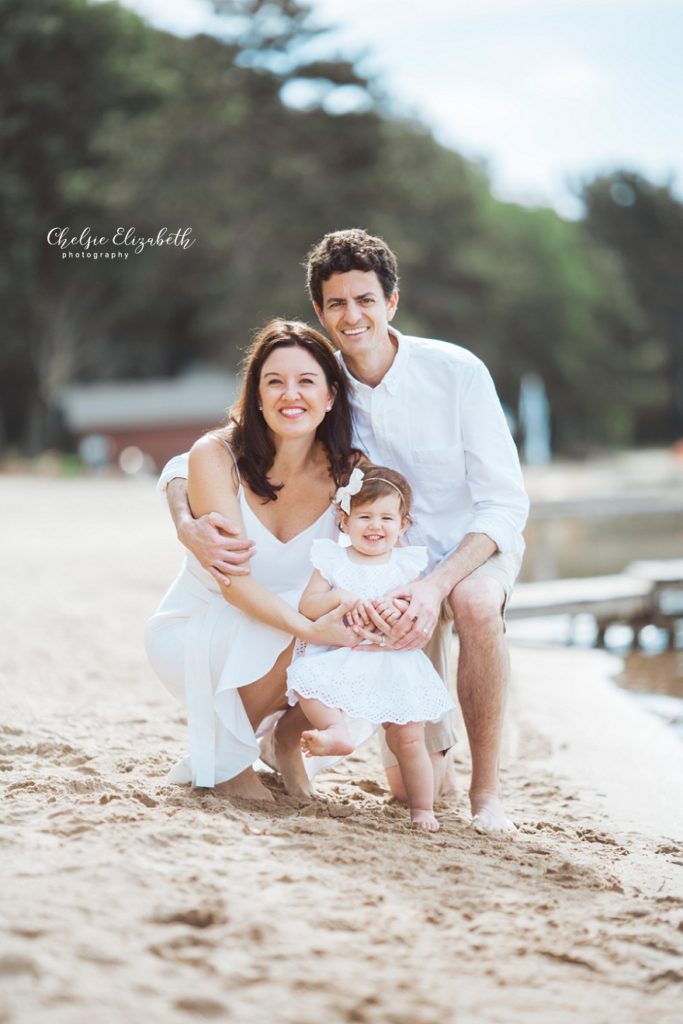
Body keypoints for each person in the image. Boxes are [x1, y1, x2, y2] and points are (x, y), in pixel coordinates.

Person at [161, 229, 529, 835]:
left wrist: (436, 586)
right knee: (411, 787)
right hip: (381, 564)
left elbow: (504, 505)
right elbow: (203, 456)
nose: (352, 315)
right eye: (337, 304)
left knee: (476, 606)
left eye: (365, 300)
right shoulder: (324, 384)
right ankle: (294, 734)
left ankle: (487, 793)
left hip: (466, 552)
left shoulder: (456, 372)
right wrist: (183, 521)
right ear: (321, 311)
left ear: (392, 302)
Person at [144, 319, 367, 802]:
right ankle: (229, 761)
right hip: (200, 627)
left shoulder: (350, 472)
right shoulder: (218, 454)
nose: (291, 394)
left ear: (331, 395)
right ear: (257, 394)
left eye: (307, 381)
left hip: (279, 630)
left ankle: (284, 742)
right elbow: (234, 585)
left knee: (363, 616)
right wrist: (312, 631)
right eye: (275, 382)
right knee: (306, 621)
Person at [287, 465, 455, 832]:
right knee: (305, 682)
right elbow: (308, 605)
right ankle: (338, 733)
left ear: (403, 525)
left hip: (394, 663)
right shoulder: (333, 560)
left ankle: (423, 809)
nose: (375, 526)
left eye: (386, 518)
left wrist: (396, 610)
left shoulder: (405, 564)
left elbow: (416, 612)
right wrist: (337, 596)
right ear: (344, 520)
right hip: (344, 657)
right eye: (364, 516)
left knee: (408, 738)